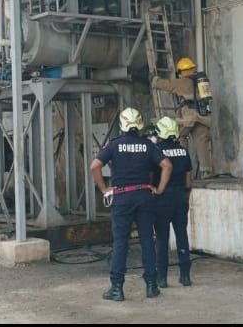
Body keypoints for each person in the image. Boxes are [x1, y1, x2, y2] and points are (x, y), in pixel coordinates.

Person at [90, 107, 172, 302]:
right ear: (140, 124)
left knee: (121, 242)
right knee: (147, 240)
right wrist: (159, 189)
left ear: (122, 125)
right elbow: (167, 165)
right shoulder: (148, 145)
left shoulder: (114, 144)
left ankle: (117, 288)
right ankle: (151, 286)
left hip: (122, 198)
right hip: (144, 196)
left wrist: (104, 189)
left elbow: (95, 166)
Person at [151, 57, 220, 178]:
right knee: (202, 141)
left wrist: (154, 79)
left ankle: (181, 167)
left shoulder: (182, 82)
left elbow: (167, 84)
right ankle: (206, 171)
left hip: (188, 118)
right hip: (202, 116)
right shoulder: (200, 82)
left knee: (179, 137)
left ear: (181, 71)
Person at [151, 116, 193, 288]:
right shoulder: (183, 151)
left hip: (162, 199)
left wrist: (155, 191)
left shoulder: (156, 151)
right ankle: (185, 276)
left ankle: (162, 278)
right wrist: (185, 196)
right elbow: (188, 180)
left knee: (162, 238)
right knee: (182, 235)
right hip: (180, 197)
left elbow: (151, 176)